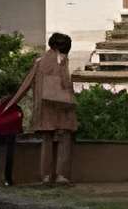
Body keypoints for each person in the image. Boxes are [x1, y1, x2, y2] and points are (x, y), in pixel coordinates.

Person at [7, 30, 78, 185]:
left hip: (44, 110)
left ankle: (46, 175)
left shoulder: (40, 62)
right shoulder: (62, 61)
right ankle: (61, 175)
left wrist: (10, 104)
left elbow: (26, 84)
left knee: (46, 141)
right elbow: (66, 85)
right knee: (64, 140)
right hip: (62, 109)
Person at [0, 82, 23, 188]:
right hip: (8, 133)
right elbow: (18, 122)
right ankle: (7, 180)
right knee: (9, 157)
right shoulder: (15, 108)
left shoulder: (2, 104)